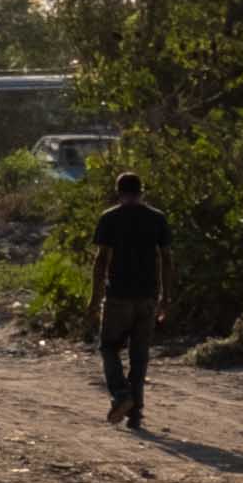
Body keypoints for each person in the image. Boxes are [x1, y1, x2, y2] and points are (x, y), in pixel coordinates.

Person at [86, 171, 170, 430]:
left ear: (118, 191)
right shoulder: (157, 218)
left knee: (109, 348)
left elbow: (102, 261)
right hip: (147, 296)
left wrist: (94, 298)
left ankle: (122, 395)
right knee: (139, 355)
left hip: (118, 296)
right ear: (142, 191)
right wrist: (166, 297)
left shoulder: (110, 218)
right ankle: (136, 413)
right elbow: (166, 259)